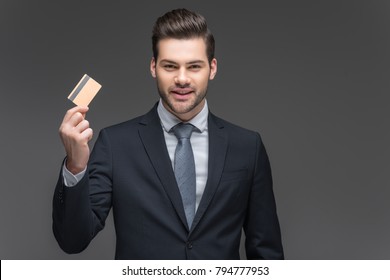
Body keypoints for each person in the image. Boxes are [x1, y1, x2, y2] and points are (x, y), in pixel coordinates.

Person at [53, 8, 284, 260]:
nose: (182, 79)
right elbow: (72, 240)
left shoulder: (247, 147)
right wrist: (75, 166)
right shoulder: (116, 144)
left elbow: (267, 254)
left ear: (212, 68)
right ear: (154, 67)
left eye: (194, 66)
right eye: (170, 66)